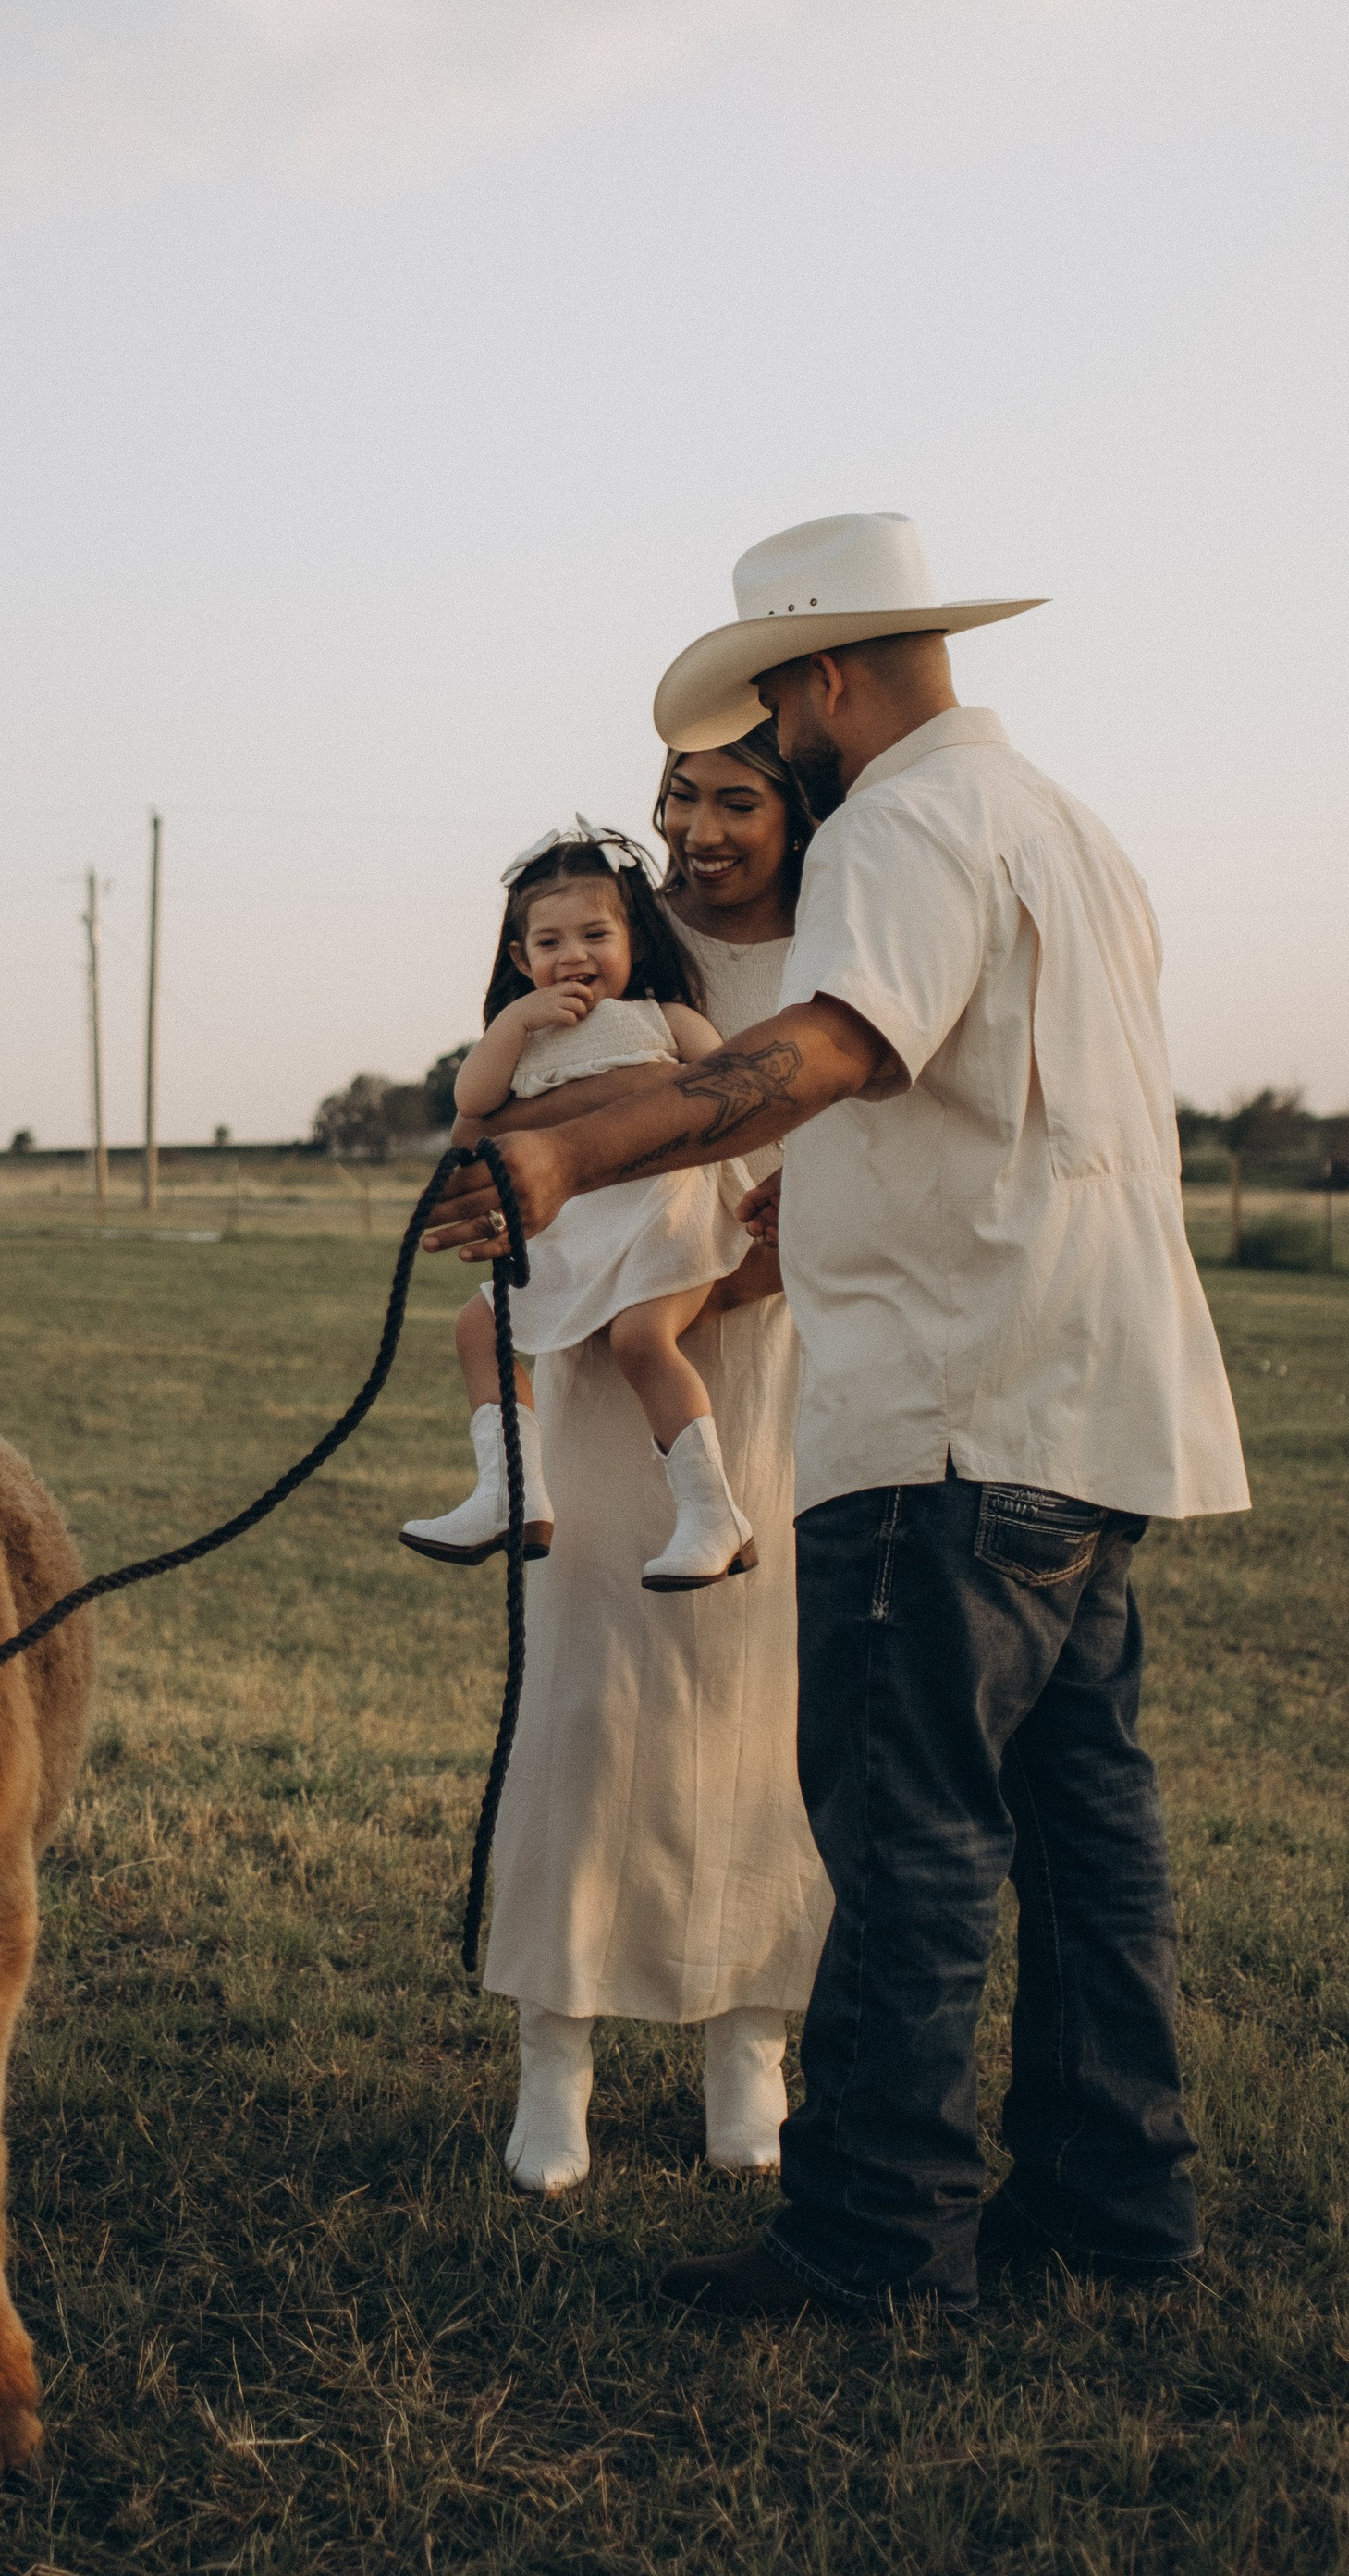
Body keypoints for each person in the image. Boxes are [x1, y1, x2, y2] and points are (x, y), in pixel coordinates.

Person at [425, 512, 1249, 2313]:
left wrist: (563, 1144)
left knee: (903, 1828)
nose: (772, 753)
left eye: (769, 711)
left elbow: (816, 1054)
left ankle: (872, 2241)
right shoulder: (1062, 825)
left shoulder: (893, 824)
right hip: (1089, 1397)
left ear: (817, 678)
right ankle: (1111, 2215)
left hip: (944, 1407)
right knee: (1082, 1822)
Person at [466, 741, 833, 2193]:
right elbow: (506, 1128)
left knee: (756, 1709)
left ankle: (750, 2040)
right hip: (593, 1341)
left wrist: (732, 1273)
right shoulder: (603, 969)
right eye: (681, 800)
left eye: (737, 801)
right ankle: (555, 2049)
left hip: (756, 1356)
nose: (699, 829)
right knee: (587, 1705)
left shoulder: (842, 952)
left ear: (798, 812)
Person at [399, 824, 754, 1591]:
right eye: (551, 943)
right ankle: (510, 1492)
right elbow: (473, 1105)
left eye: (597, 934)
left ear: (633, 940)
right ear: (522, 960)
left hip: (665, 1219)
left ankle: (712, 1512)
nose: (576, 957)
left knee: (642, 1340)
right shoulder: (520, 1044)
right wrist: (514, 1023)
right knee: (475, 1326)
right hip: (579, 1229)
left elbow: (732, 1086)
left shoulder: (664, 1018)